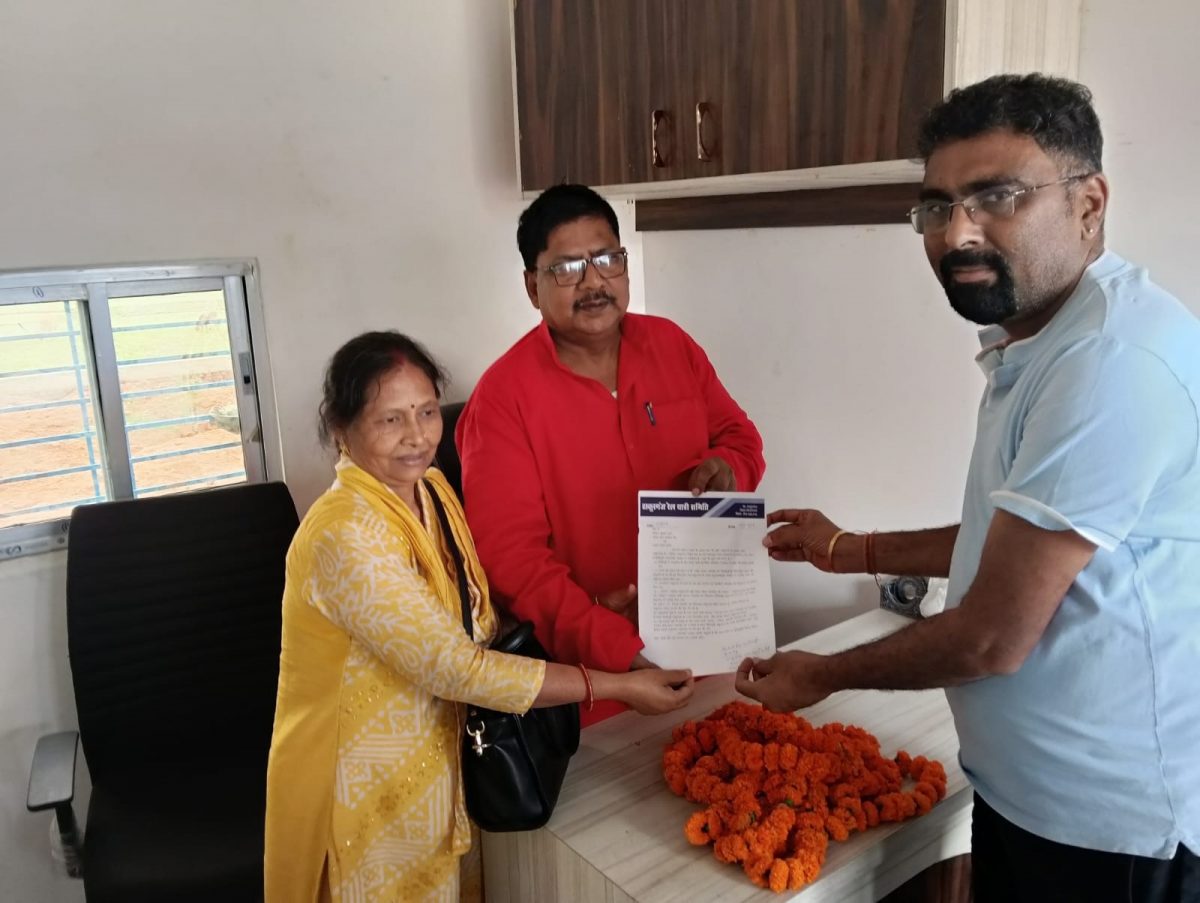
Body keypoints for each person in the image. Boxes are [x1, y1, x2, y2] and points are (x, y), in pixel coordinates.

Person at [736, 73, 1200, 902]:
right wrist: (848, 549)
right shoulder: (1043, 339)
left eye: (998, 197)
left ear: (1089, 204)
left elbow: (992, 636)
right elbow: (1008, 539)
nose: (958, 233)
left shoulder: (1107, 363)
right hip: (1031, 797)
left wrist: (823, 672)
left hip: (1107, 833)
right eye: (936, 207)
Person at [263, 331, 694, 903]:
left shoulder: (430, 488)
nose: (417, 436)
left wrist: (591, 608)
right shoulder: (344, 533)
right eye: (390, 420)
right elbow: (457, 667)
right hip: (361, 788)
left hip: (447, 766)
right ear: (342, 428)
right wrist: (613, 685)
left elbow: (472, 615)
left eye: (425, 411)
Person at [456, 184, 765, 723]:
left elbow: (741, 440)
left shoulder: (672, 346)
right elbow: (514, 564)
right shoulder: (503, 399)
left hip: (712, 645)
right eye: (567, 268)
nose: (593, 282)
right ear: (532, 286)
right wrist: (618, 650)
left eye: (607, 259)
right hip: (597, 684)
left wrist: (729, 471)